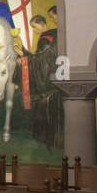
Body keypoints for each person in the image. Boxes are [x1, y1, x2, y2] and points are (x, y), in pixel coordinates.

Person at [16, 12, 63, 149]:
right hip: (56, 79)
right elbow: (38, 58)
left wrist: (23, 57)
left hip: (47, 83)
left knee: (46, 111)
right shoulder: (56, 34)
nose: (35, 31)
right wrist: (24, 52)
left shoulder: (45, 39)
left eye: (35, 27)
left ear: (42, 24)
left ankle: (46, 139)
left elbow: (42, 61)